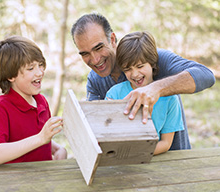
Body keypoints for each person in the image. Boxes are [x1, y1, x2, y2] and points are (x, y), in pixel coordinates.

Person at [71, 13, 215, 150]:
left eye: (99, 47)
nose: (95, 59)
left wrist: (156, 89)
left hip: (172, 161)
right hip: (128, 165)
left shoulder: (151, 58)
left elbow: (206, 75)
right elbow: (96, 128)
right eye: (85, 53)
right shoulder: (95, 80)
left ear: (112, 39)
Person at [0, 36, 67, 166]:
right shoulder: (0, 107)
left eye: (40, 65)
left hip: (43, 181)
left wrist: (57, 150)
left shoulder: (41, 102)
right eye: (30, 68)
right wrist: (41, 138)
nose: (39, 72)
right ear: (11, 75)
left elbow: (32, 139)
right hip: (16, 184)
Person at [106, 31, 184, 155]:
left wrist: (137, 153)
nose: (135, 74)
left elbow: (166, 143)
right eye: (127, 69)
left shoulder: (170, 99)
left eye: (140, 66)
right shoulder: (114, 94)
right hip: (118, 158)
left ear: (152, 63)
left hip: (150, 157)